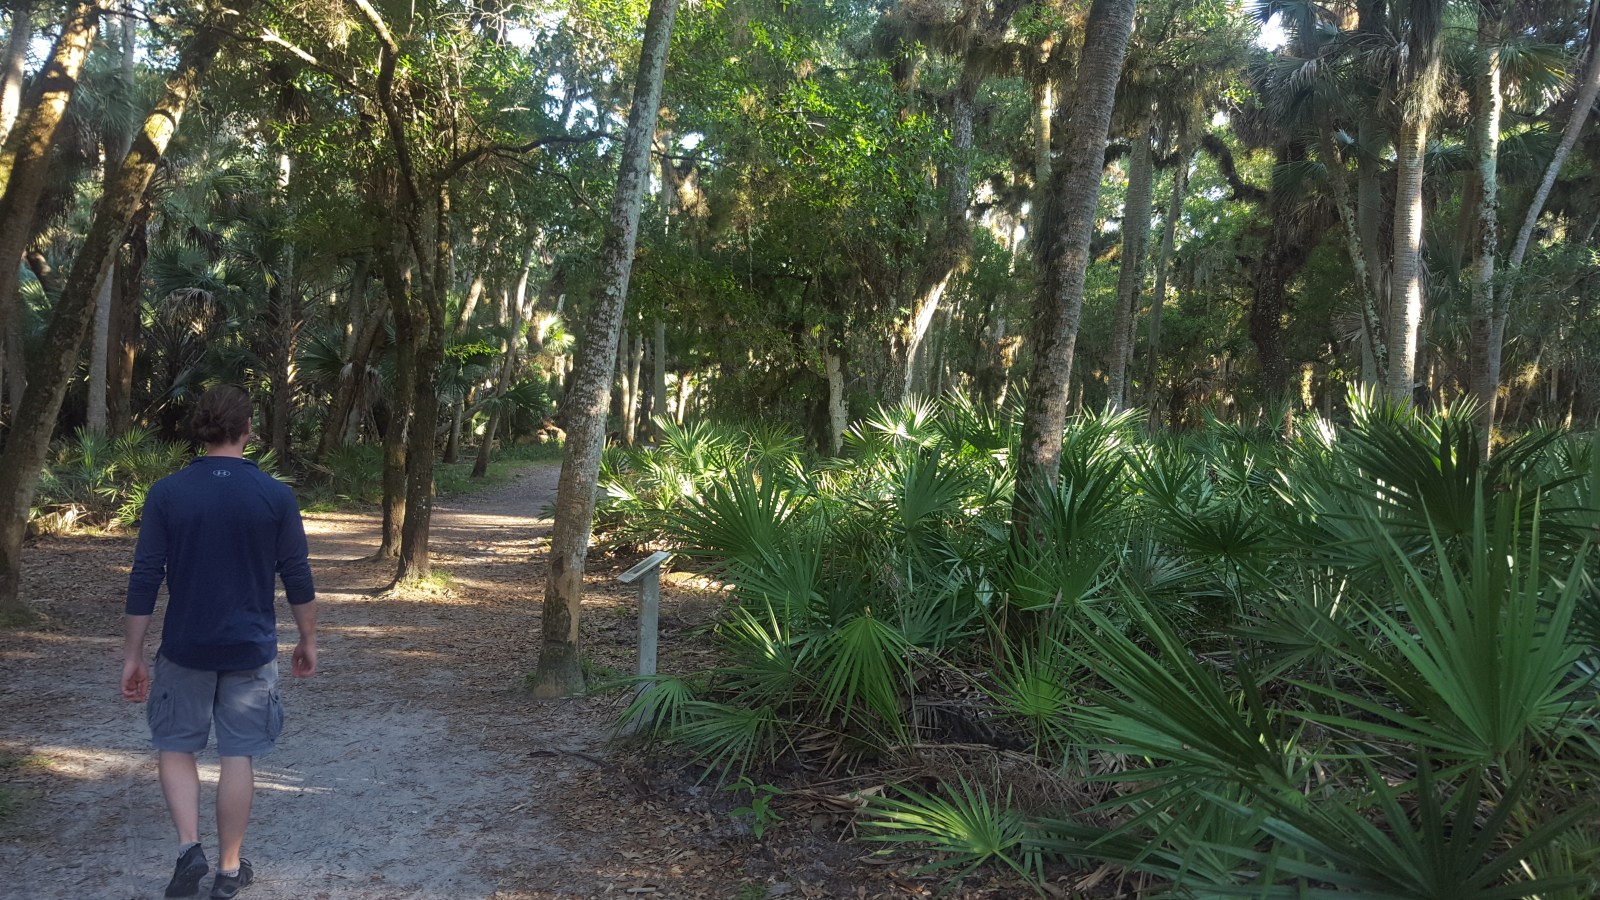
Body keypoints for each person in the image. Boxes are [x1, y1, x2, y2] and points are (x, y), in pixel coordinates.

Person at [121, 385, 317, 900]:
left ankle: (190, 848)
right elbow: (296, 573)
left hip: (184, 647)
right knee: (237, 756)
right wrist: (308, 639)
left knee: (175, 746)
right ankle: (229, 870)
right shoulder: (275, 494)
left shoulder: (168, 492)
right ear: (248, 430)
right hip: (250, 650)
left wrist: (133, 656)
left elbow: (145, 576)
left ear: (200, 430)